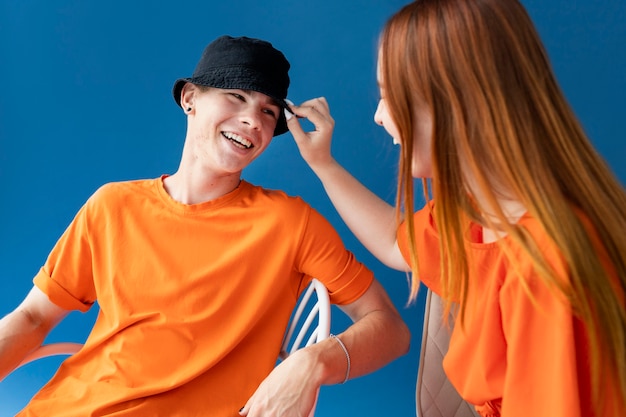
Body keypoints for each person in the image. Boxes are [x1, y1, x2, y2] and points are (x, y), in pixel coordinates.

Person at [0, 35, 410, 416]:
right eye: (236, 96)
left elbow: (390, 328)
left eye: (268, 111)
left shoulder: (290, 223)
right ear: (190, 99)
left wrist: (314, 361)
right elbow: (34, 318)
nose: (253, 119)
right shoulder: (112, 205)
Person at [285, 1, 626, 416]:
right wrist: (324, 165)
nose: (378, 116)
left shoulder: (544, 267)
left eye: (389, 95)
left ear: (457, 104)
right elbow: (398, 244)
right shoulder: (477, 214)